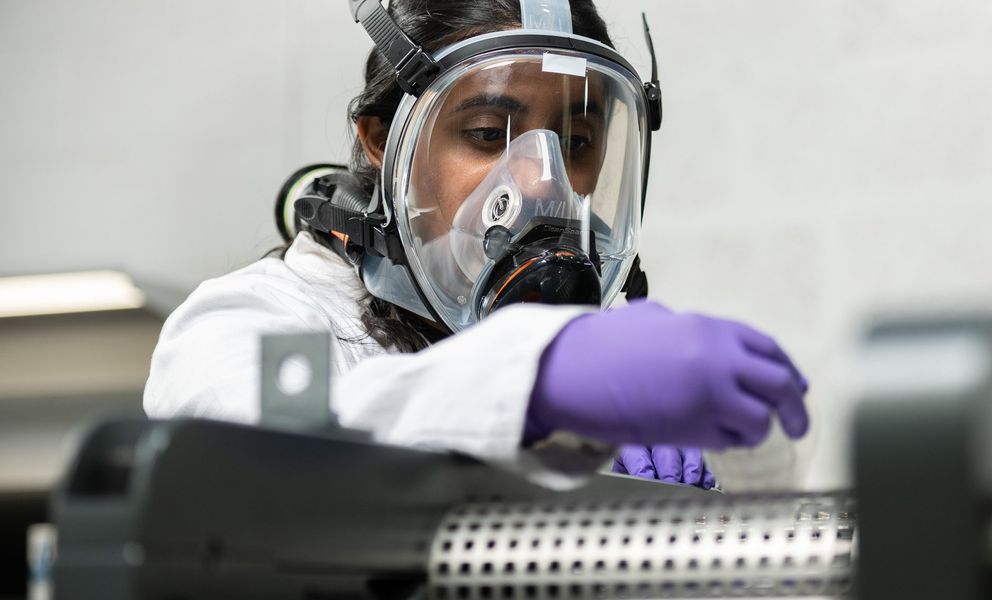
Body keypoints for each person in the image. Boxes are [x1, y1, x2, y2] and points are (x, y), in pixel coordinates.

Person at [144, 0, 810, 490]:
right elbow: (257, 473)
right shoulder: (246, 324)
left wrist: (740, 458)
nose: (542, 183)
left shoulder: (611, 378)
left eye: (576, 144)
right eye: (490, 133)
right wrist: (540, 384)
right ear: (380, 140)